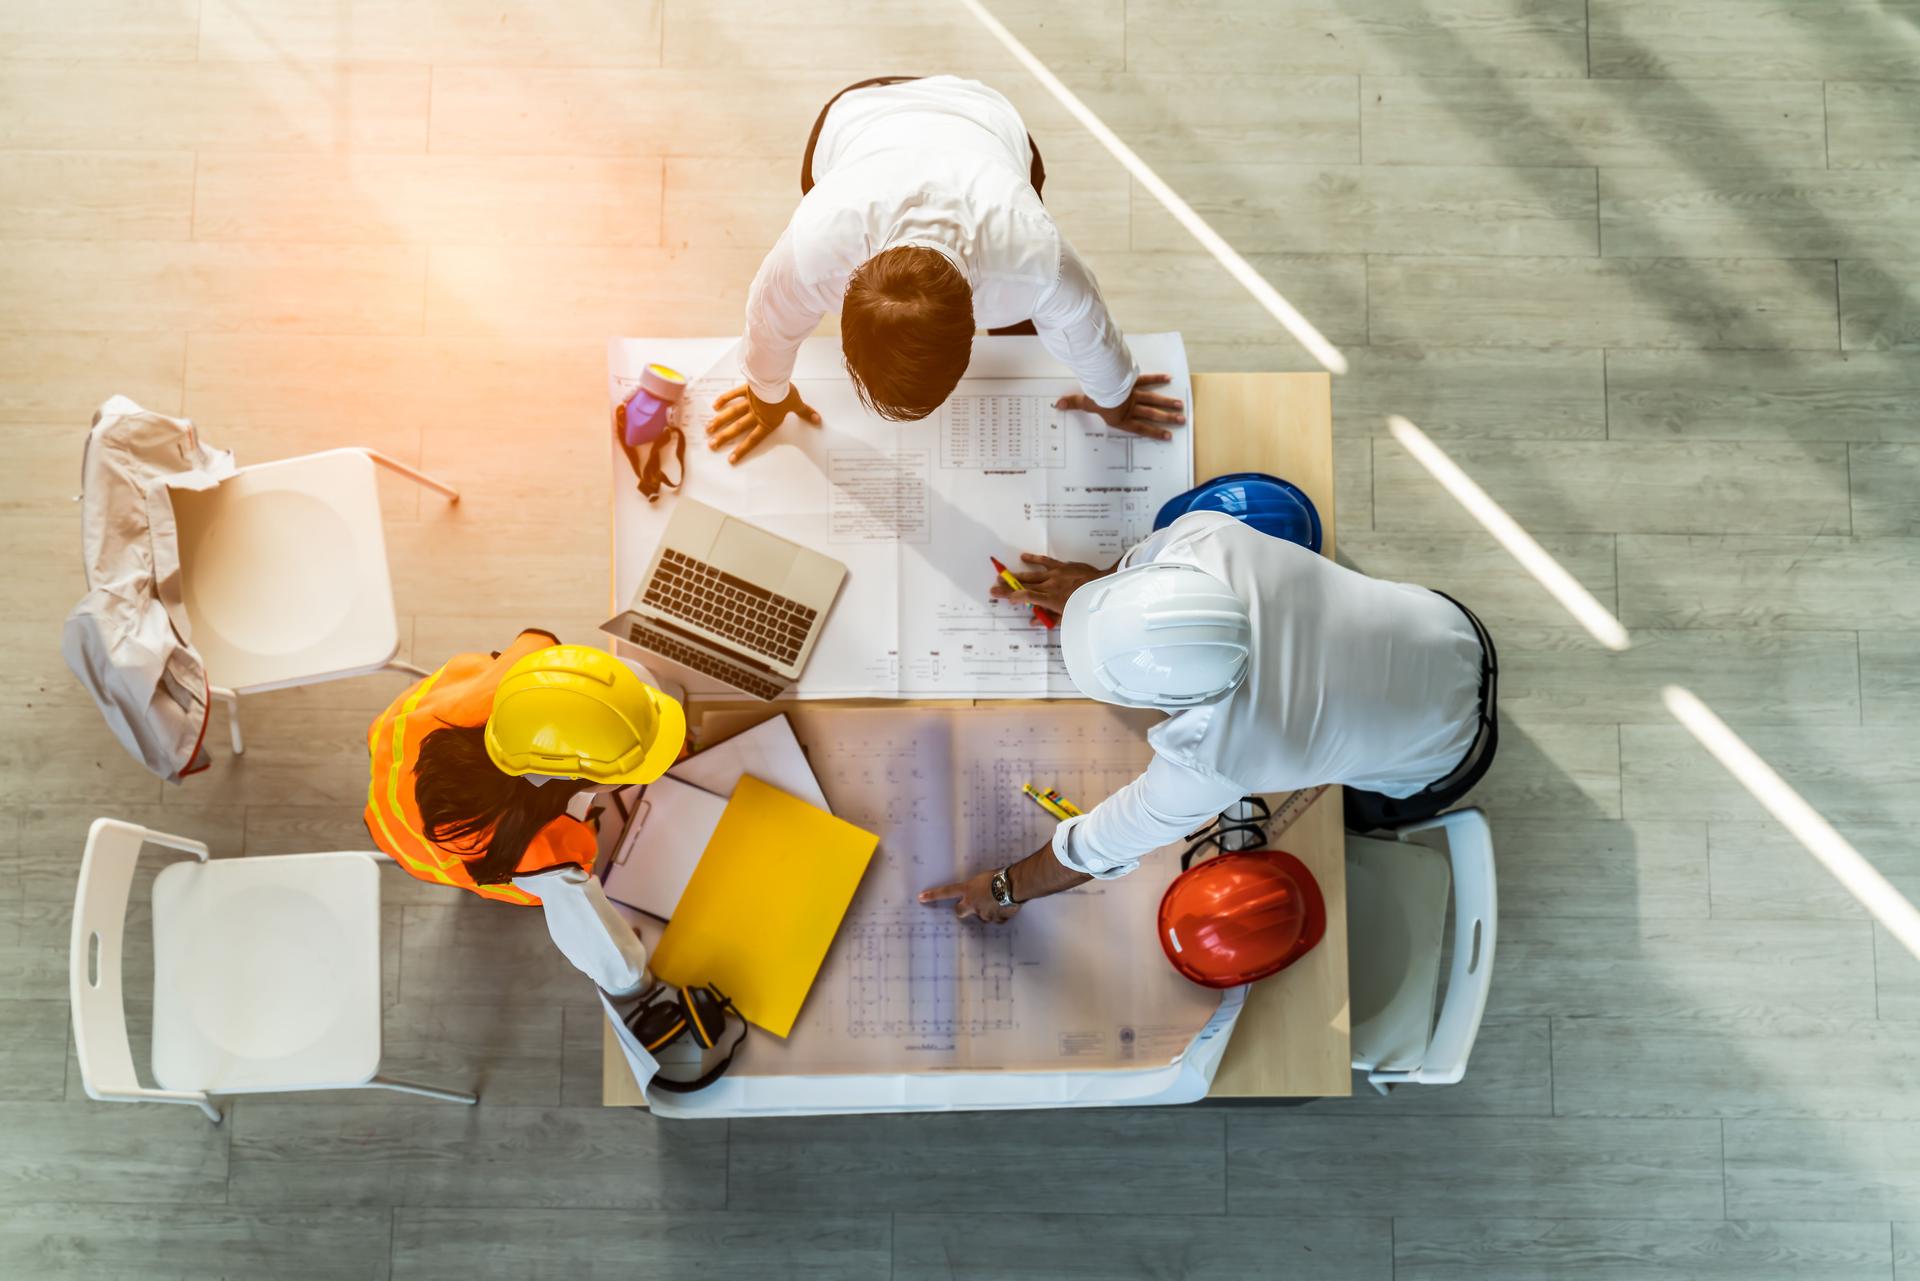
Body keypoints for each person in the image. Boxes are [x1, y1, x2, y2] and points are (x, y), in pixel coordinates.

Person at [919, 511, 1499, 922]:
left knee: (1358, 813)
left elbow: (1096, 846)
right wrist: (1094, 594)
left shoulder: (1213, 757)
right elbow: (1138, 571)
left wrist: (1003, 889)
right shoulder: (1206, 539)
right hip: (1452, 633)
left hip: (1450, 751)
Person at [705, 74, 1186, 463]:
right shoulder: (813, 249)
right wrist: (766, 396)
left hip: (985, 119)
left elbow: (1090, 327)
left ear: (971, 328)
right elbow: (768, 322)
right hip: (857, 122)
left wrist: (1116, 399)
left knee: (1033, 326)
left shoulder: (1034, 255)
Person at [364, 631, 685, 994]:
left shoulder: (532, 680)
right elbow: (606, 953)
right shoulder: (541, 857)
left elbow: (608, 684)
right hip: (410, 839)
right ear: (578, 784)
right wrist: (636, 981)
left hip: (398, 749)